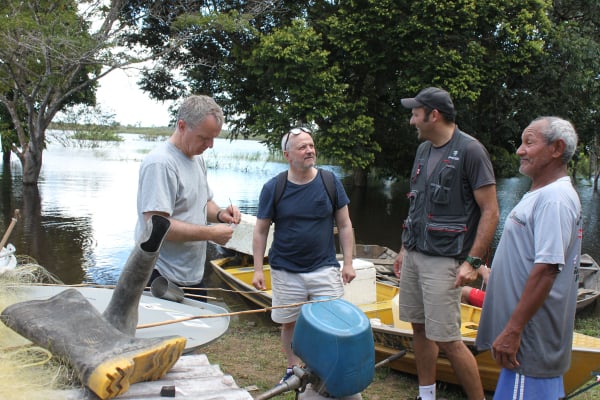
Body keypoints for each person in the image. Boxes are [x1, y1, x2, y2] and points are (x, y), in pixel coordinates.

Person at [394, 87, 499, 400]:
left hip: (446, 259)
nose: (412, 120)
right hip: (414, 253)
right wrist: (403, 247)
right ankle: (426, 395)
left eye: (415, 113)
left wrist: (473, 263)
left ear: (433, 115)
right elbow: (416, 204)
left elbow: (491, 212)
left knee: (449, 339)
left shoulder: (471, 151)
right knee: (418, 327)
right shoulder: (423, 150)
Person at [475, 117, 582, 400]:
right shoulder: (541, 193)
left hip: (530, 344)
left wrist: (513, 330)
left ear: (557, 148)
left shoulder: (554, 199)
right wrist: (492, 274)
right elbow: (529, 257)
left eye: (529, 142)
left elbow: (547, 269)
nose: (520, 150)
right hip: (528, 342)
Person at [252, 127, 356, 388]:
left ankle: (326, 371)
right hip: (286, 270)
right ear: (287, 155)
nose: (310, 150)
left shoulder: (330, 182)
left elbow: (345, 225)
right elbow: (261, 230)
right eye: (302, 147)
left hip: (324, 268)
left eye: (311, 145)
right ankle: (292, 368)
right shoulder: (274, 187)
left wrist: (349, 263)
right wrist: (257, 270)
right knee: (289, 325)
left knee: (332, 325)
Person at [135, 94, 241, 300]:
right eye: (204, 137)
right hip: (159, 276)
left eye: (213, 138)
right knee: (163, 332)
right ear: (182, 126)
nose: (210, 145)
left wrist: (220, 215)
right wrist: (210, 234)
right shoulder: (161, 163)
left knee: (196, 329)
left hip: (191, 276)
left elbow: (203, 203)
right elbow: (156, 226)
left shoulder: (196, 158)